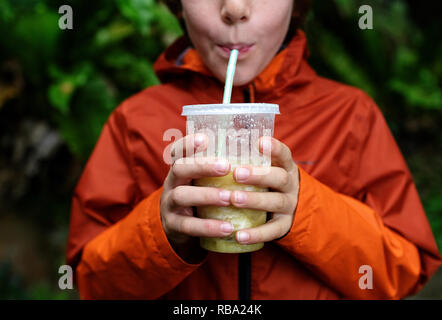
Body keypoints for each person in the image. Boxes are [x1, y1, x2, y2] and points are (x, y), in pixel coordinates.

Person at [66, 0, 441, 299]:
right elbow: (90, 285)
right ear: (177, 4)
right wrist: (162, 232)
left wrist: (305, 209)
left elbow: (404, 272)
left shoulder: (351, 116)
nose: (234, 8)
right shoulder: (134, 123)